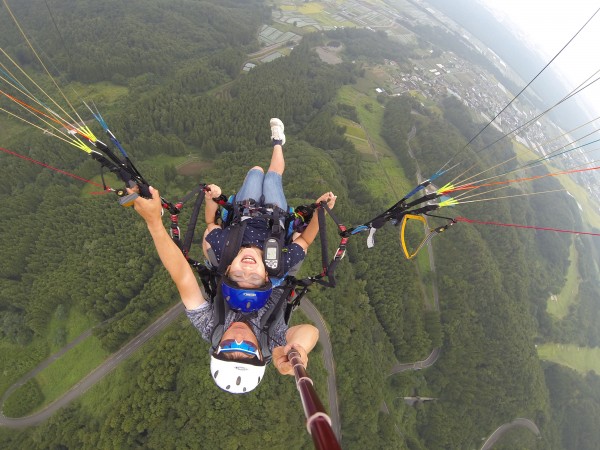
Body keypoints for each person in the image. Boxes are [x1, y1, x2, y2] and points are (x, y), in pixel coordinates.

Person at [131, 118, 337, 394]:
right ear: (260, 354)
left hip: (243, 225)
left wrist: (154, 222)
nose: (239, 339)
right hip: (275, 241)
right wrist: (296, 350)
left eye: (228, 347)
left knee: (255, 173)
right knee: (273, 177)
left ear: (216, 347)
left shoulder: (211, 326)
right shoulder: (271, 338)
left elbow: (182, 276)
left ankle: (262, 164)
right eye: (248, 349)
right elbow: (310, 332)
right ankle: (278, 143)